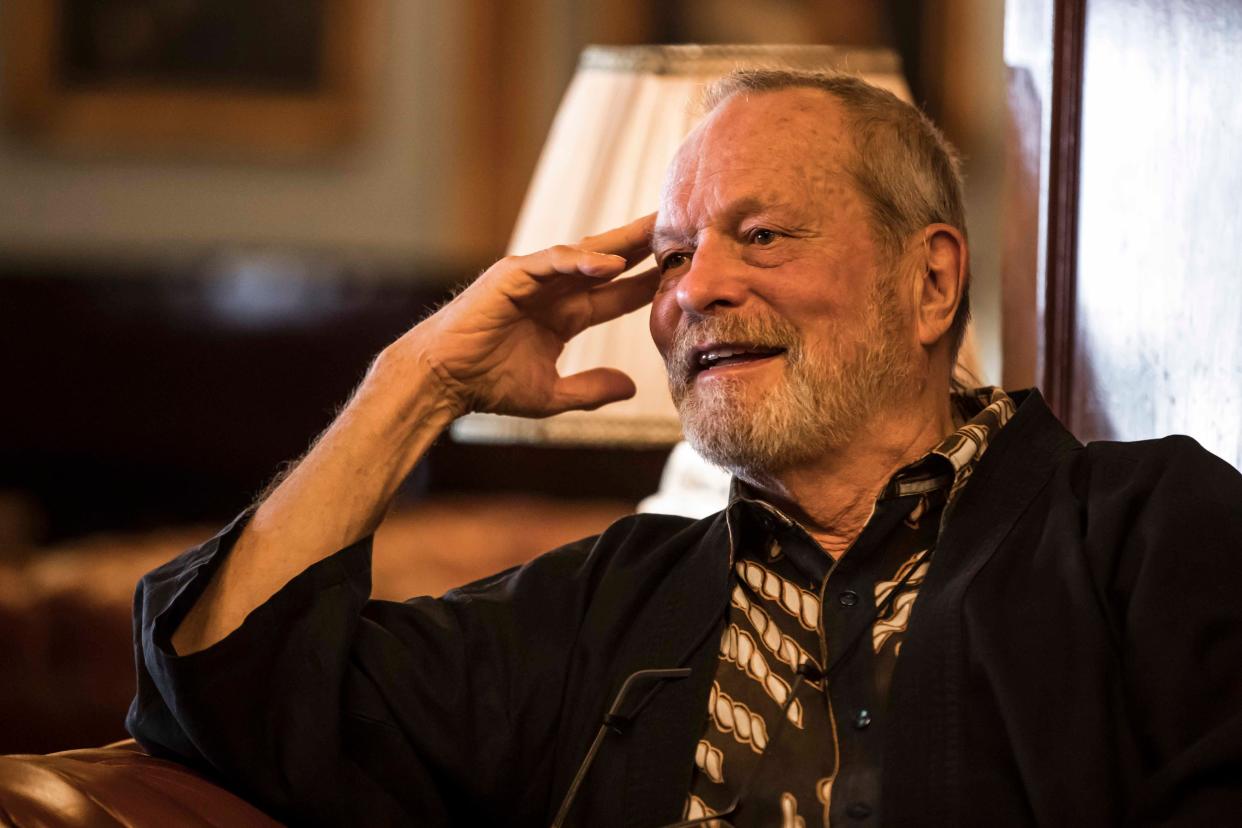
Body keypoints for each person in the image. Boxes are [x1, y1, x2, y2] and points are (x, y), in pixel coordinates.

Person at [127, 70, 1242, 827]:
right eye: (669, 259)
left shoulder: (1150, 536)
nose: (696, 288)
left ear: (931, 282)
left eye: (762, 235)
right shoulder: (609, 604)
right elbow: (229, 688)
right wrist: (423, 381)